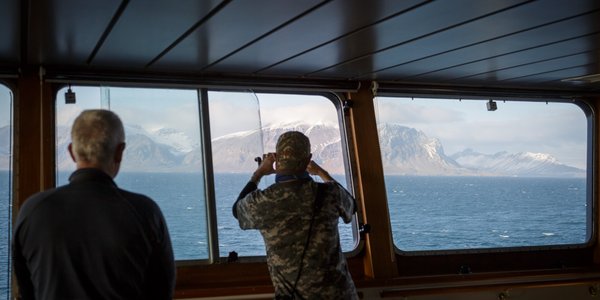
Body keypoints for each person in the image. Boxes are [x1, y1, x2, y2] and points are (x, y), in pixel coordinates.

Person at [12, 109, 175, 300]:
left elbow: (26, 290)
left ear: (72, 152)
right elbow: (161, 292)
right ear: (119, 152)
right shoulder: (145, 212)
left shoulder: (33, 210)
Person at [233, 131, 358, 299]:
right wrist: (321, 172)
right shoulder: (330, 193)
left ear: (277, 160)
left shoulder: (263, 201)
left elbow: (237, 210)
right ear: (308, 159)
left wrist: (260, 172)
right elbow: (352, 206)